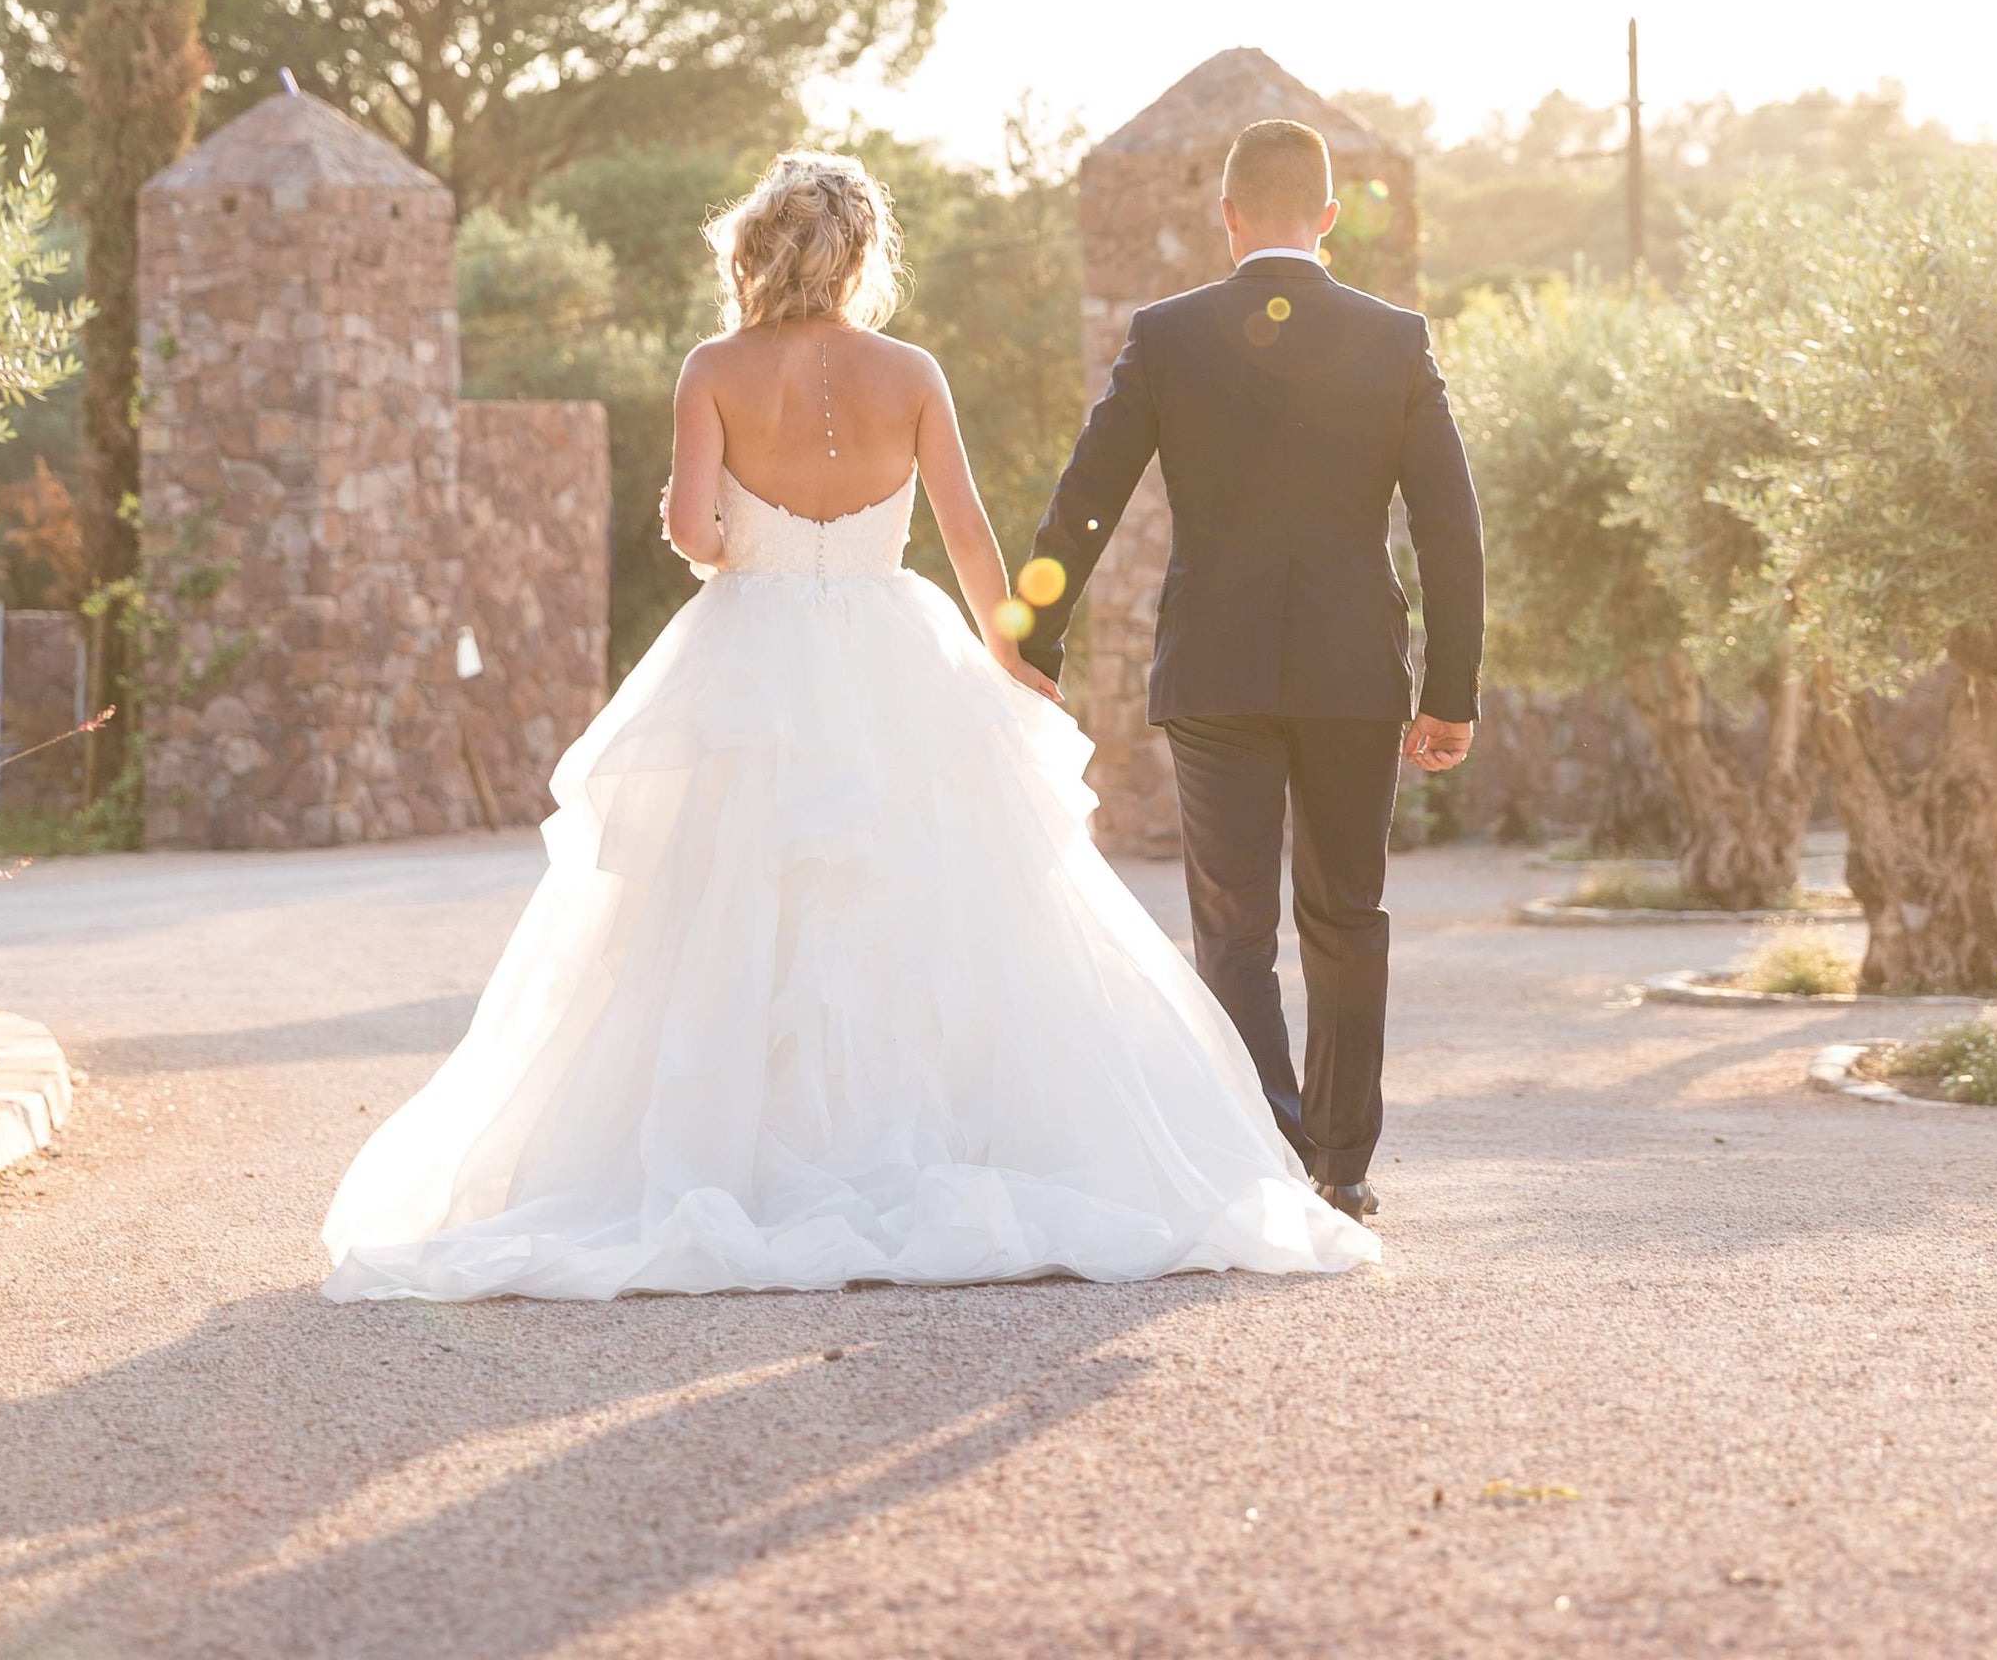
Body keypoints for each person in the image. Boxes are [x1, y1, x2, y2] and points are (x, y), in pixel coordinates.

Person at [320, 152, 1376, 1301]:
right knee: (928, 906)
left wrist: (751, 536)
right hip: (896, 646)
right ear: (863, 254)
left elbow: (697, 534)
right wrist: (1015, 657)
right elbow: (974, 543)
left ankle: (750, 1153)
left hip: (748, 654)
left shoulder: (712, 369)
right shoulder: (912, 371)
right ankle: (923, 1141)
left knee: (727, 908)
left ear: (758, 250)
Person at [1015, 118, 1484, 1225]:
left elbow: (1088, 492)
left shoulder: (1168, 335)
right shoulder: (1394, 338)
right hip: (1353, 673)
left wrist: (1034, 637)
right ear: (1327, 215)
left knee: (1231, 924)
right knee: (1347, 913)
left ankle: (1267, 1147)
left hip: (1215, 669)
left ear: (1226, 216)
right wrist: (1450, 690)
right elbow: (1450, 526)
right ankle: (1343, 1164)